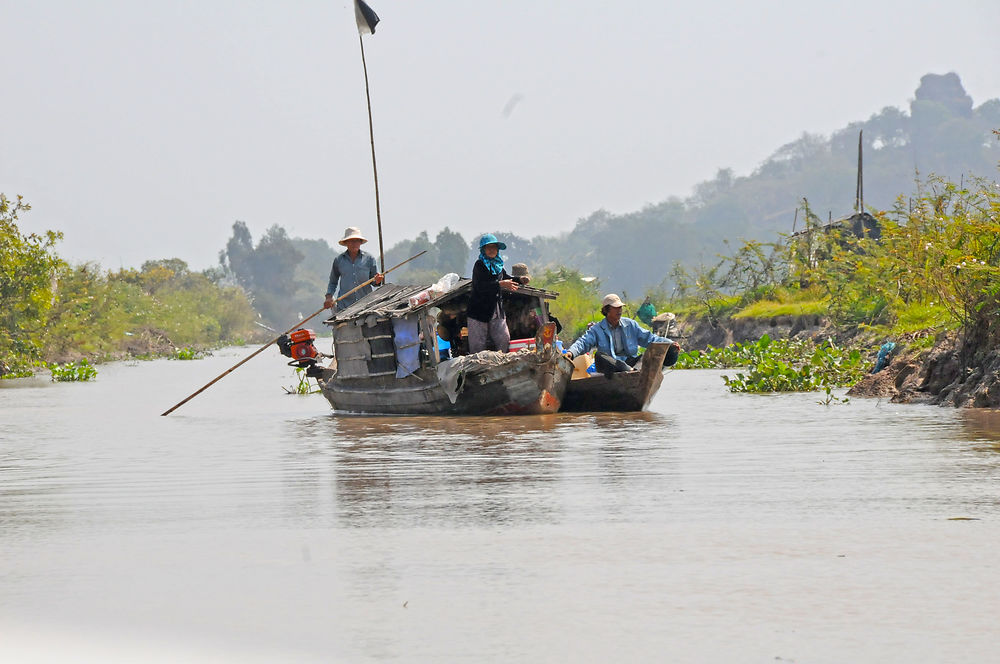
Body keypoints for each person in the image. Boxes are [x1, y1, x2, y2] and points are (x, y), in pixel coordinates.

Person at [565, 293, 680, 371]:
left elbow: (650, 339)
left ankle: (633, 371)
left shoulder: (630, 325)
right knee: (600, 356)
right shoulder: (597, 329)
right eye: (616, 307)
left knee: (656, 353)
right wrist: (571, 352)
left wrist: (670, 344)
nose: (619, 310)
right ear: (606, 310)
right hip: (611, 368)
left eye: (620, 307)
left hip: (631, 364)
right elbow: (583, 342)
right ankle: (629, 371)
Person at [467, 233, 529, 353]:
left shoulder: (498, 265)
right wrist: (500, 284)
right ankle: (478, 370)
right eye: (488, 248)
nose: (491, 250)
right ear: (483, 250)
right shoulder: (479, 265)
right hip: (479, 311)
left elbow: (506, 278)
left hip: (496, 310)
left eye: (494, 247)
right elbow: (480, 286)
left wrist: (520, 280)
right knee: (478, 346)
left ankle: (503, 365)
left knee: (504, 339)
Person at [323, 227, 384, 311]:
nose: (354, 244)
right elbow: (333, 282)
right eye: (351, 241)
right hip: (344, 306)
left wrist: (378, 280)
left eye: (357, 241)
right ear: (346, 243)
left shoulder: (369, 259)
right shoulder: (339, 260)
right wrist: (328, 297)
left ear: (360, 242)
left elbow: (374, 281)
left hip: (365, 305)